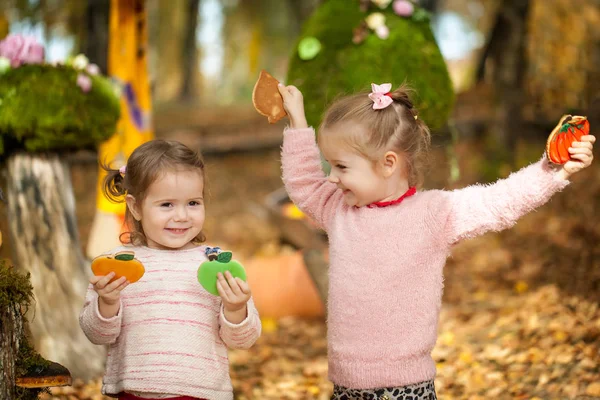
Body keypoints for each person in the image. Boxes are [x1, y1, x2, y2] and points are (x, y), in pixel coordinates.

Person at [277, 82, 595, 400]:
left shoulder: (433, 214)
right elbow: (304, 184)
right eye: (330, 165)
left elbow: (498, 202)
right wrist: (298, 123)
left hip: (405, 388)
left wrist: (553, 169)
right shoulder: (339, 210)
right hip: (345, 386)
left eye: (341, 166)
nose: (331, 177)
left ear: (388, 164)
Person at [79, 139, 261, 400]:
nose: (182, 216)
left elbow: (243, 340)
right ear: (135, 207)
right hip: (135, 391)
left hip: (201, 392)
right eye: (167, 205)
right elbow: (96, 334)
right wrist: (107, 302)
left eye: (193, 203)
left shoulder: (216, 263)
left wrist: (235, 309)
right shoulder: (118, 265)